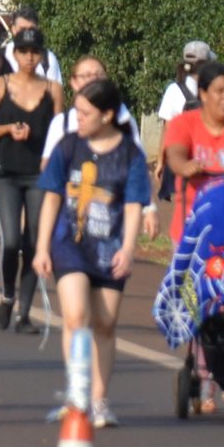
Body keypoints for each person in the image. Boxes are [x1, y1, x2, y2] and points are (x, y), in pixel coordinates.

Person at [36, 76, 152, 427]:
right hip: (68, 243)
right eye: (76, 112)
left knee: (105, 323)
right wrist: (42, 246)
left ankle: (100, 399)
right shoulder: (68, 146)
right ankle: (77, 392)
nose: (78, 119)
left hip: (110, 247)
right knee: (75, 316)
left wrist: (129, 248)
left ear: (107, 114)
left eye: (85, 113)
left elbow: (133, 205)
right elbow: (52, 196)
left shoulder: (130, 153)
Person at [0, 25, 61, 334]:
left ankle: (25, 313)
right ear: (14, 55)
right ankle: (6, 294)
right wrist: (8, 130)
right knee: (11, 239)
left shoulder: (53, 89)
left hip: (38, 175)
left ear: (41, 55)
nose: (29, 58)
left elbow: (59, 132)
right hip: (7, 172)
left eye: (34, 52)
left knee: (33, 242)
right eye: (23, 52)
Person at [160, 59, 224, 240]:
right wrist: (184, 166)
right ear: (203, 94)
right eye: (220, 91)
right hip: (191, 228)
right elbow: (175, 154)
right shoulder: (184, 123)